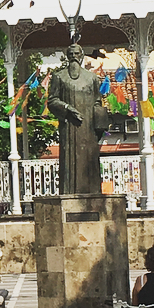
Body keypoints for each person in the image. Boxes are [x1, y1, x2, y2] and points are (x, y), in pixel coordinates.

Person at [46, 43, 111, 195]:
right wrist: (67, 109)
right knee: (69, 164)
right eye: (71, 54)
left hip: (88, 128)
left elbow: (97, 101)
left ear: (82, 57)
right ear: (67, 57)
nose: (74, 57)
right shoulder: (59, 76)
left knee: (90, 163)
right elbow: (52, 101)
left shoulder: (92, 78)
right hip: (69, 127)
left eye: (76, 54)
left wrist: (100, 123)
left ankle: (93, 195)